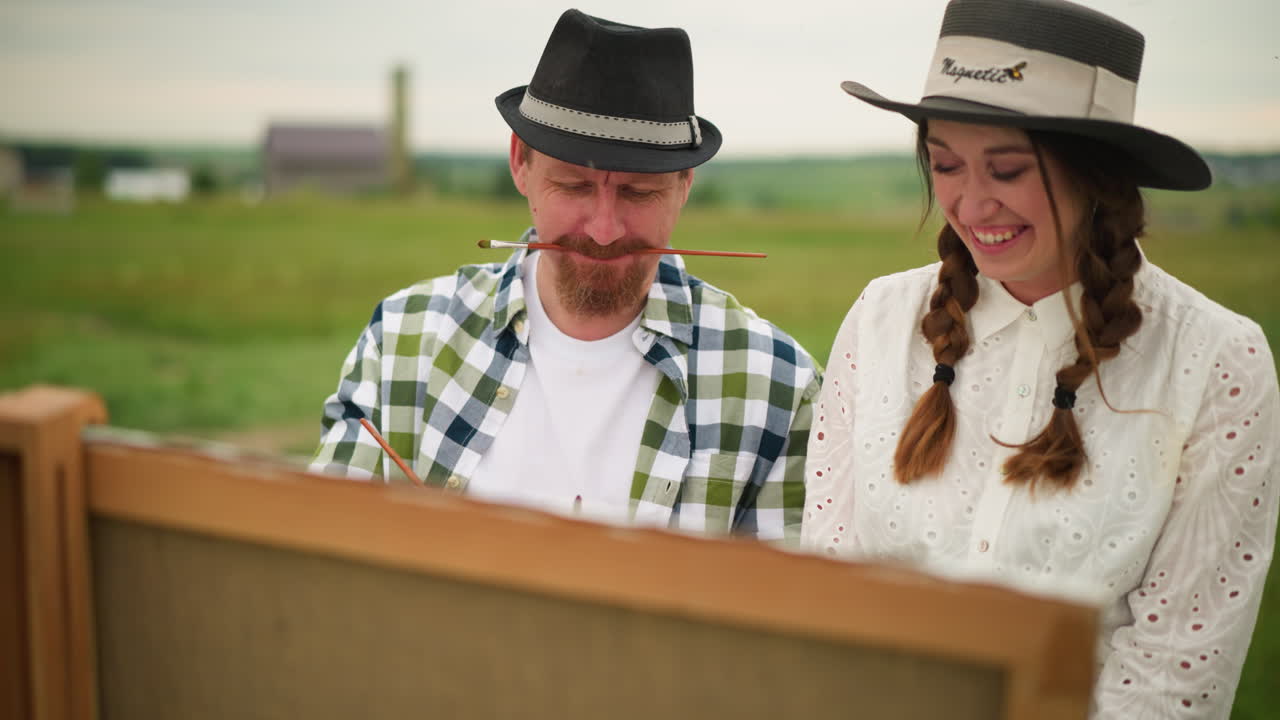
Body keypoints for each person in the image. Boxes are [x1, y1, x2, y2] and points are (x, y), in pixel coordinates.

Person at [801, 0, 1278, 716]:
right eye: (946, 165)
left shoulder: (1217, 361)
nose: (970, 203)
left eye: (1009, 168)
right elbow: (827, 593)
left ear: (1098, 175)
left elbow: (1176, 675)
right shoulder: (879, 320)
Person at [311, 9, 820, 541]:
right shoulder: (402, 343)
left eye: (638, 192)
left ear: (685, 184)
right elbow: (331, 566)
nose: (603, 230)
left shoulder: (776, 389)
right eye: (574, 186)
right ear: (520, 165)